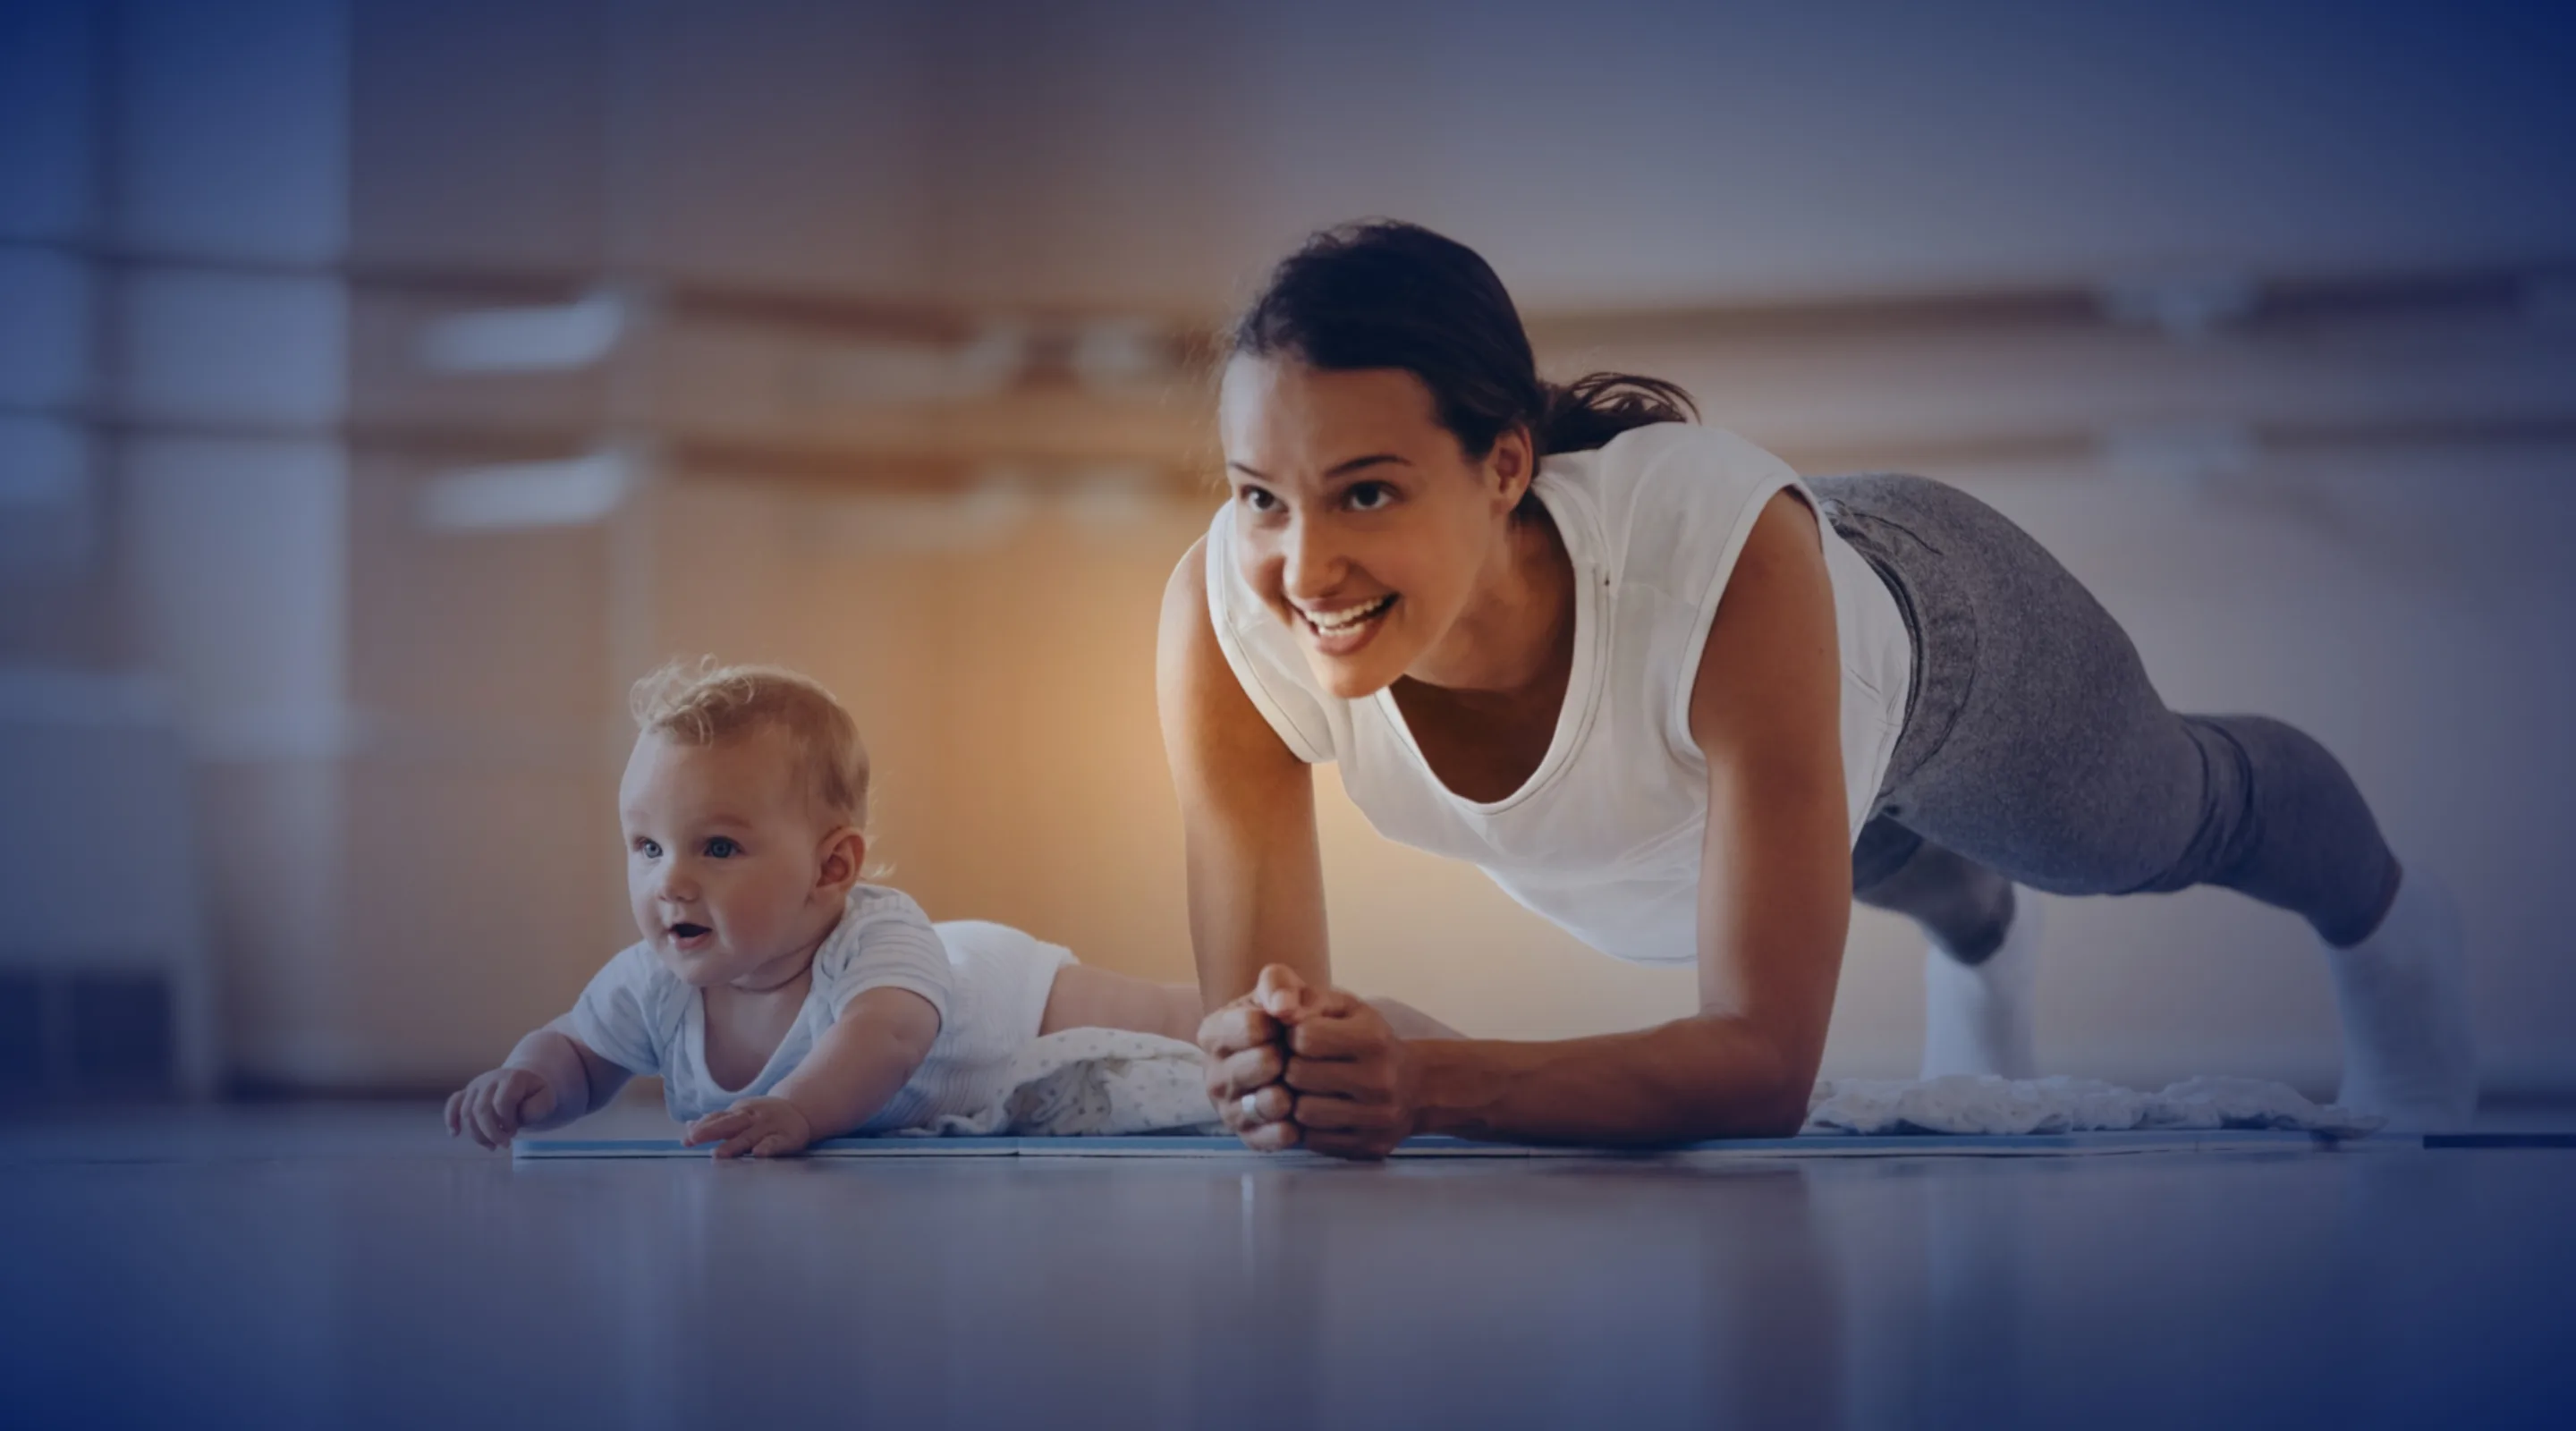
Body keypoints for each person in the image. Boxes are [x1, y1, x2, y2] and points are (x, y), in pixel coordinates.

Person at [1162, 220, 2478, 1159]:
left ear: (1506, 465)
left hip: (1932, 644)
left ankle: (2398, 935)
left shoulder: (1720, 572)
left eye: (1369, 491)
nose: (1303, 565)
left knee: (2168, 820)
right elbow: (1253, 1038)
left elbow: (1760, 1065)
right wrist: (1283, 1065)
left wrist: (1421, 1082)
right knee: (1875, 854)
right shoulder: (1227, 621)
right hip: (1750, 733)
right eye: (1261, 496)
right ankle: (1983, 935)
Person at [445, 659, 1218, 1156]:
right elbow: (580, 1052)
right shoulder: (655, 984)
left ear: (831, 865)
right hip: (944, 1027)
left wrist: (796, 1110)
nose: (668, 883)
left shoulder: (875, 942)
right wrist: (530, 1085)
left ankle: (1287, 1007)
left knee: (1175, 1022)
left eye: (716, 848)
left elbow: (886, 1038)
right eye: (647, 847)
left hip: (996, 992)